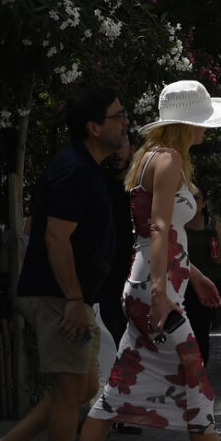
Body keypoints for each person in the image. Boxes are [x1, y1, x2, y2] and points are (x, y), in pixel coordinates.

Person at [59, 80, 221, 441]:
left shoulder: (149, 157)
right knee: (198, 389)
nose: (206, 130)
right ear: (187, 122)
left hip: (149, 285)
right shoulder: (169, 159)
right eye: (203, 121)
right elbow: (157, 228)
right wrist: (161, 292)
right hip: (156, 292)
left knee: (116, 394)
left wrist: (195, 275)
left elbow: (161, 234)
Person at [0, 87, 126, 441]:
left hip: (73, 296)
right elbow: (56, 238)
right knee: (67, 391)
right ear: (94, 127)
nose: (125, 122)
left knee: (84, 386)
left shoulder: (88, 167)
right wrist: (74, 301)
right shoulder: (73, 169)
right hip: (60, 296)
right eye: (117, 117)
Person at [184, 185, 221, 366]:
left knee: (201, 328)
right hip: (183, 286)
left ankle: (199, 366)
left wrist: (220, 259)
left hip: (208, 286)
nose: (191, 202)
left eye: (196, 198)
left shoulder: (213, 226)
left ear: (204, 203)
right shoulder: (179, 224)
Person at [98, 134, 135, 347]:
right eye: (113, 148)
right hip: (104, 275)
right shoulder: (99, 184)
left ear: (132, 148)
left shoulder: (140, 188)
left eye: (122, 147)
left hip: (133, 273)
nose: (117, 153)